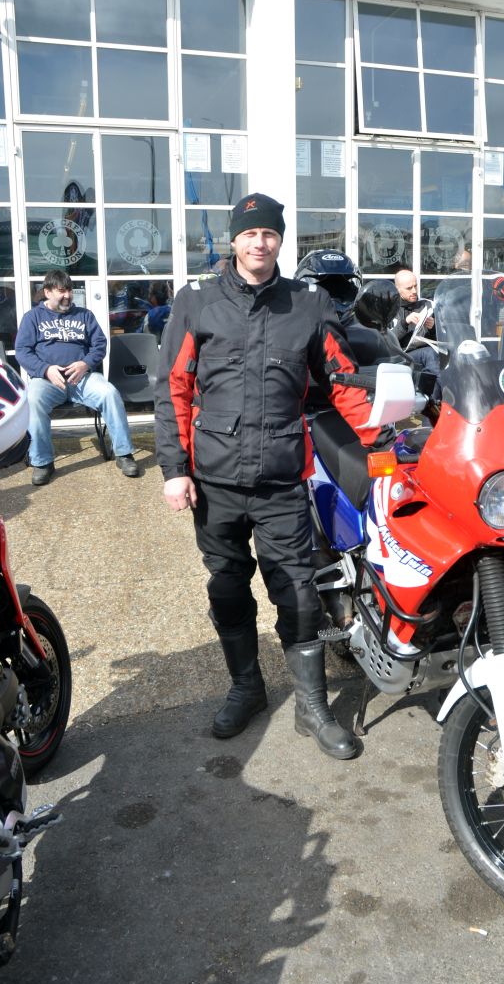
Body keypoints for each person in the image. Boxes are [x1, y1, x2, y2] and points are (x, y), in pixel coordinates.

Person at [154, 192, 383, 759]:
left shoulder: (307, 304)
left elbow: (343, 381)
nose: (260, 242)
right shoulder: (197, 301)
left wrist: (381, 447)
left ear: (281, 240)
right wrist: (174, 470)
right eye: (250, 234)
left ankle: (312, 708)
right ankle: (246, 687)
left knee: (299, 594)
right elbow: (174, 389)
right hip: (216, 482)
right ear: (234, 240)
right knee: (228, 588)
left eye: (270, 234)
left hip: (282, 478)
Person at [14, 269, 140, 486]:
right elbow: (22, 351)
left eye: (70, 290)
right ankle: (43, 462)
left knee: (109, 393)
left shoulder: (84, 315)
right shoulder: (32, 318)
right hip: (47, 381)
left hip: (82, 378)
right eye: (61, 291)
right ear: (47, 292)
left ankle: (124, 454)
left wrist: (86, 363)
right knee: (32, 401)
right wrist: (45, 369)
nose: (68, 295)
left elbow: (99, 345)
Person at [392, 269, 441, 394]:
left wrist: (433, 327)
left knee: (432, 354)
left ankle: (435, 397)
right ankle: (436, 401)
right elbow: (387, 340)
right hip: (401, 354)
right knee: (429, 354)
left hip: (426, 352)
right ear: (398, 289)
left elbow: (442, 337)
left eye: (415, 286)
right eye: (409, 288)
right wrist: (405, 322)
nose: (414, 291)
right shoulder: (390, 308)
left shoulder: (427, 305)